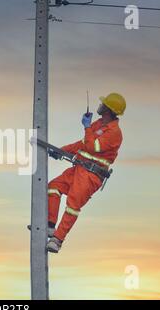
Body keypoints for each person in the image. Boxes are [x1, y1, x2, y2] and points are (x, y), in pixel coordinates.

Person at [46, 93, 126, 253]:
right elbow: (82, 144)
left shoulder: (114, 133)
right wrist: (61, 151)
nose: (100, 105)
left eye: (104, 104)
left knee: (72, 206)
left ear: (108, 110)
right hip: (79, 169)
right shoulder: (99, 124)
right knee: (53, 187)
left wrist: (87, 127)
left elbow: (91, 147)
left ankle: (57, 240)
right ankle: (50, 226)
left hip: (91, 176)